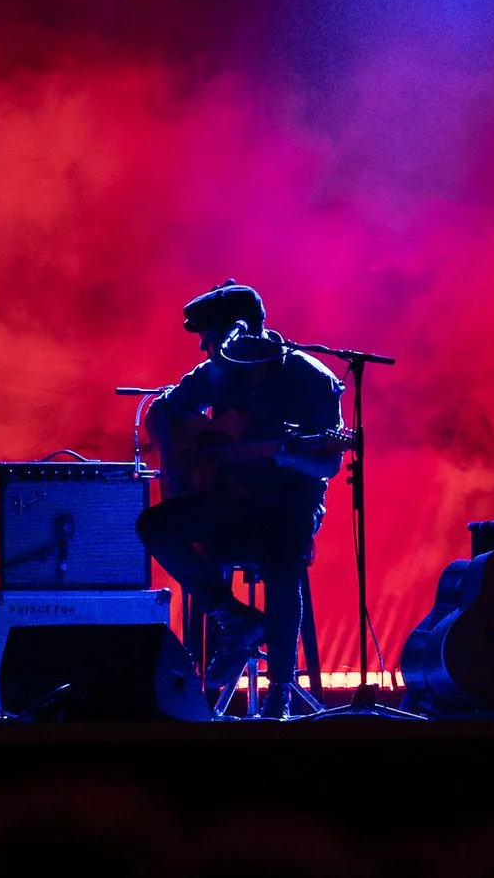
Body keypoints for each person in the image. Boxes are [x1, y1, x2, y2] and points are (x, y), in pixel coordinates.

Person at [135, 281, 345, 716]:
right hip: (231, 502)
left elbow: (328, 463)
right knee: (155, 527)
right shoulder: (216, 372)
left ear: (239, 331)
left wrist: (290, 457)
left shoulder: (310, 378)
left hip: (289, 507)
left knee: (281, 559)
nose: (202, 348)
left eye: (208, 338)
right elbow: (161, 412)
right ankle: (233, 616)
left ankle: (279, 691)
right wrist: (181, 452)